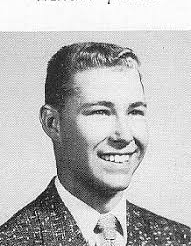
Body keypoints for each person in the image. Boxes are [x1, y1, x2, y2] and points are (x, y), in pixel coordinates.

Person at [0, 42, 190, 245]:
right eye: (101, 112)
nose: (124, 135)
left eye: (135, 112)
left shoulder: (180, 239)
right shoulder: (12, 240)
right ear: (53, 123)